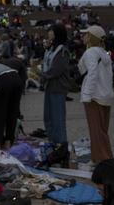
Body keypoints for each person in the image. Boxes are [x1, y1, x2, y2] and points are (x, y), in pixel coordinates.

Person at [78, 25, 114, 163]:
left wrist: (87, 95)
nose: (83, 37)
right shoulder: (104, 52)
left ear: (92, 37)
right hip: (105, 95)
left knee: (96, 131)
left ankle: (102, 161)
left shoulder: (90, 52)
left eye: (86, 34)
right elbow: (109, 75)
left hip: (94, 97)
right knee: (102, 131)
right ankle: (106, 157)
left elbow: (92, 74)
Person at [40, 24, 71, 157]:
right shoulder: (51, 48)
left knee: (57, 118)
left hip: (57, 87)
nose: (49, 33)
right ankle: (53, 143)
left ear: (57, 33)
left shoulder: (62, 50)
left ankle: (61, 146)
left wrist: (42, 75)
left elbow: (57, 70)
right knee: (48, 117)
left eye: (51, 31)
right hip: (49, 87)